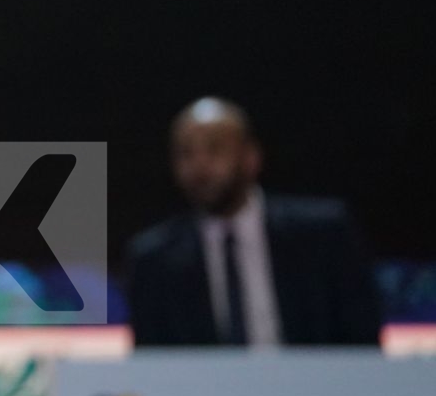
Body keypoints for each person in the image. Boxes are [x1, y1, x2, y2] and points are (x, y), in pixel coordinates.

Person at [125, 97, 383, 347]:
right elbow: (154, 364)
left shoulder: (324, 236)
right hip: (206, 390)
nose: (199, 165)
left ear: (251, 157)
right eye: (186, 153)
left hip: (315, 386)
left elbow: (363, 339)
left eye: (215, 149)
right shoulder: (153, 260)